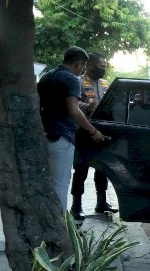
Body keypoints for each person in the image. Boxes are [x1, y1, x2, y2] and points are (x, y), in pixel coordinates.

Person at [37, 46, 105, 214]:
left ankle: (47, 220)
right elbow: (74, 110)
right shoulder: (72, 79)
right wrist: (93, 132)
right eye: (82, 66)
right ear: (79, 64)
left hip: (43, 135)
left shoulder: (46, 77)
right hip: (62, 138)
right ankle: (59, 226)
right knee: (60, 184)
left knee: (47, 183)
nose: (81, 70)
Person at [69, 52, 118, 221]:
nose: (103, 69)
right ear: (90, 65)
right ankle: (76, 205)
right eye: (101, 66)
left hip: (102, 130)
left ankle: (102, 202)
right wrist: (87, 105)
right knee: (81, 169)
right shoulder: (78, 82)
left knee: (102, 168)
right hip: (83, 131)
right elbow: (72, 105)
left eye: (105, 67)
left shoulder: (105, 83)